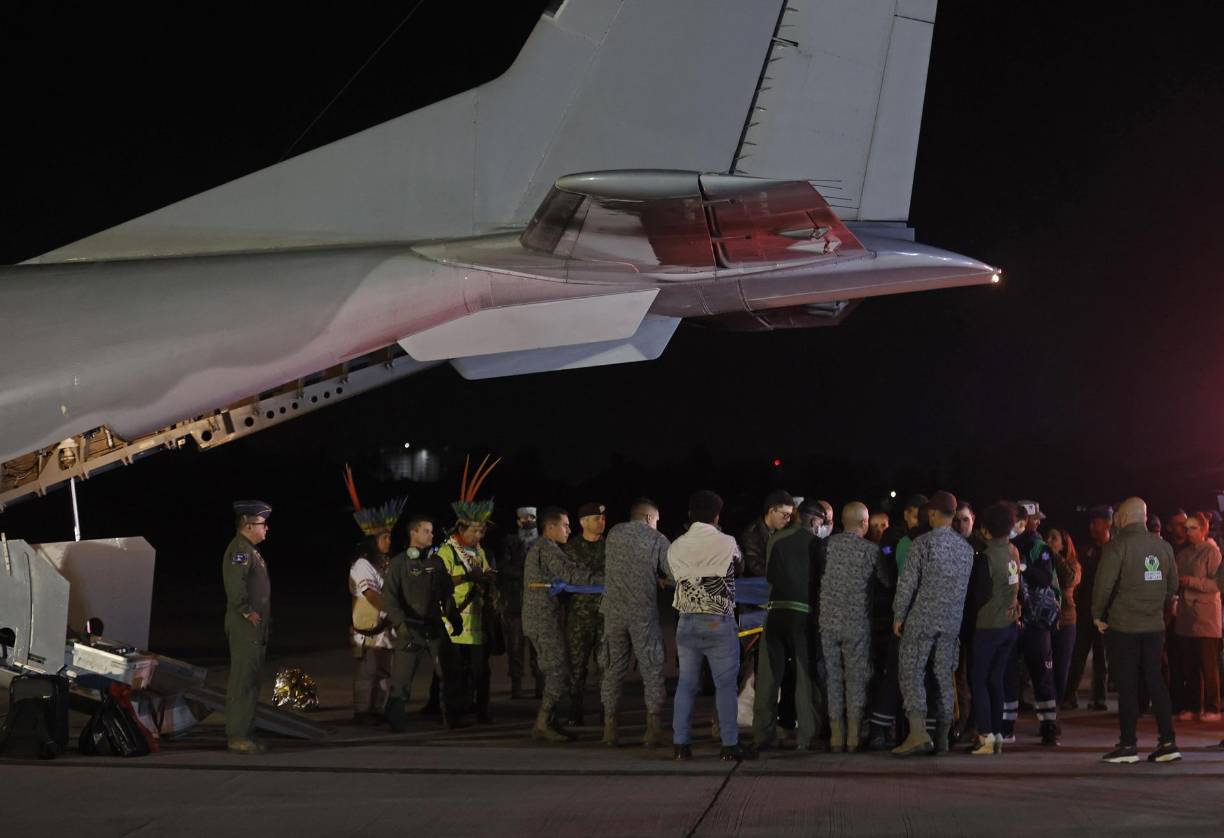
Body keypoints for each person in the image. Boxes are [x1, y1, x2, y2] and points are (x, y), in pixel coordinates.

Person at [670, 490, 755, 762]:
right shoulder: (726, 541)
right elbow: (740, 565)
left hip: (686, 622)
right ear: (717, 515)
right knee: (725, 686)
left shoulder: (676, 545)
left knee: (686, 685)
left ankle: (680, 745)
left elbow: (676, 576)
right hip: (717, 622)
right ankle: (729, 745)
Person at [1094, 497, 1181, 764]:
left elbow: (1103, 586)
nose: (1115, 518)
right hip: (1154, 627)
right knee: (1156, 681)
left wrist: (1097, 615)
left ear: (1126, 516)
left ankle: (1128, 745)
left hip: (1124, 627)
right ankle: (1168, 742)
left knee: (1128, 684)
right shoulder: (1163, 547)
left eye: (1118, 514)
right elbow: (1172, 586)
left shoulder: (1117, 546)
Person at [891, 491, 973, 756]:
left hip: (922, 620)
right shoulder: (966, 549)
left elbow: (907, 584)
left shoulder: (922, 544)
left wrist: (899, 615)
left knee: (912, 672)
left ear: (935, 514)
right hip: (951, 623)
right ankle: (943, 738)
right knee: (944, 678)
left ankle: (917, 734)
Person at [752, 499, 828, 751]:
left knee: (768, 678)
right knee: (805, 678)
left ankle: (762, 735)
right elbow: (820, 583)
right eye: (821, 523)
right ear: (814, 520)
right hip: (801, 616)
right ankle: (806, 738)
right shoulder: (816, 544)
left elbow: (770, 575)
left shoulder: (776, 539)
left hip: (774, 614)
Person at [599, 498, 672, 747]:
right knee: (651, 670)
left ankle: (609, 728)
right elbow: (673, 573)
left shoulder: (613, 534)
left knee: (612, 670)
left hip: (613, 613)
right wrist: (661, 580)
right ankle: (652, 728)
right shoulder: (657, 539)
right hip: (643, 615)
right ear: (650, 518)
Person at [819, 501, 890, 752]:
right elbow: (886, 582)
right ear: (863, 523)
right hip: (857, 624)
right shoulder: (871, 551)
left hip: (827, 623)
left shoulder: (826, 546)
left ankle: (836, 735)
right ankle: (853, 736)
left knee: (834, 679)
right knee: (856, 680)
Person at [523, 507, 598, 742]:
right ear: (550, 527)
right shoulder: (547, 549)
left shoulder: (547, 548)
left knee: (555, 669)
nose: (569, 530)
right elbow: (571, 575)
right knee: (557, 672)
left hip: (544, 618)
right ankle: (542, 722)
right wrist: (609, 580)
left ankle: (550, 721)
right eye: (565, 525)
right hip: (541, 620)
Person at [383, 516, 463, 732]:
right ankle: (396, 721)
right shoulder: (399, 564)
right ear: (413, 534)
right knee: (401, 678)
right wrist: (400, 624)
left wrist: (454, 617)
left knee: (448, 672)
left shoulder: (436, 563)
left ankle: (451, 717)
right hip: (410, 629)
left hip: (434, 627)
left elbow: (446, 594)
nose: (431, 534)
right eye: (426, 531)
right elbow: (390, 598)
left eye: (431, 530)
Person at [437, 460, 500, 727]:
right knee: (454, 673)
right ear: (461, 529)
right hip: (454, 622)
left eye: (482, 529)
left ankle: (482, 711)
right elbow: (441, 583)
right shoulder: (447, 551)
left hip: (478, 623)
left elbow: (485, 574)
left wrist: (488, 580)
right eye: (476, 529)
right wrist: (468, 576)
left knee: (481, 672)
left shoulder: (481, 552)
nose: (480, 533)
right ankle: (453, 715)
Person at [865, 493, 927, 749]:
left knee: (905, 676)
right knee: (894, 674)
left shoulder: (916, 540)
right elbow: (895, 579)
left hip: (906, 617)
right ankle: (881, 729)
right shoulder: (898, 540)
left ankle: (894, 730)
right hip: (894, 618)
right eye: (916, 515)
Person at [344, 480, 408, 726]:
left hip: (386, 629)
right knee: (368, 672)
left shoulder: (387, 562)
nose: (389, 541)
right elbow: (371, 596)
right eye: (385, 537)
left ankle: (376, 710)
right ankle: (362, 711)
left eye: (390, 536)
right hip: (370, 630)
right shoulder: (363, 564)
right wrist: (396, 611)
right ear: (373, 540)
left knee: (383, 672)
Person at [1002, 499, 1060, 746]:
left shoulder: (1039, 547)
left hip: (1036, 621)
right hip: (1013, 620)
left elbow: (1046, 577)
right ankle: (1006, 726)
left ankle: (1049, 727)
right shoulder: (1004, 545)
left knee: (1042, 674)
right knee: (1009, 675)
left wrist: (1022, 567)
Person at [966, 502, 1021, 755]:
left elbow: (979, 595)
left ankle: (985, 735)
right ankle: (997, 734)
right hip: (1009, 626)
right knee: (996, 680)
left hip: (988, 626)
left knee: (978, 680)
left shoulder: (986, 557)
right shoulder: (1013, 551)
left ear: (986, 529)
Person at [222, 500, 273, 754]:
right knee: (243, 680)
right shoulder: (240, 550)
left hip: (254, 625)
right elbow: (236, 584)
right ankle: (238, 735)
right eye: (263, 524)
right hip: (245, 625)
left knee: (251, 680)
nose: (267, 529)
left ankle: (246, 732)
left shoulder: (250, 550)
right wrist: (245, 610)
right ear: (248, 525)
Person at [1171, 512, 1222, 721]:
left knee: (1208, 665)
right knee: (1189, 665)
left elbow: (1218, 584)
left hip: (1206, 616)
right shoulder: (1182, 554)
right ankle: (1192, 705)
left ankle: (1213, 707)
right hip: (1186, 616)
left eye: (1193, 528)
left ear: (1203, 530)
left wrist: (1192, 581)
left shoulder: (1212, 553)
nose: (1188, 532)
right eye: (1187, 528)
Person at [1064, 505, 1113, 711]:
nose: (1092, 526)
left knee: (1102, 657)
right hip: (1085, 610)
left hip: (1106, 612)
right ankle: (1069, 694)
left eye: (1096, 522)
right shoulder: (1086, 550)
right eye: (1091, 522)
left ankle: (1099, 697)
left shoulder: (1115, 550)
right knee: (1078, 654)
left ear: (1107, 524)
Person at [563, 502, 607, 725]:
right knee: (576, 666)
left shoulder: (610, 547)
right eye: (596, 518)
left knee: (605, 665)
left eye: (602, 517)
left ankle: (605, 712)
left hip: (604, 616)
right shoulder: (571, 549)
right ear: (583, 523)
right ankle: (574, 710)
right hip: (579, 617)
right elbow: (572, 576)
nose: (602, 521)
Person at [498, 506, 542, 700]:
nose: (529, 520)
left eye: (532, 516)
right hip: (515, 604)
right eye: (525, 517)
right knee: (515, 648)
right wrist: (526, 575)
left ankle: (540, 685)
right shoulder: (510, 542)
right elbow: (503, 567)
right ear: (518, 521)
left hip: (538, 604)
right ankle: (516, 685)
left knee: (538, 648)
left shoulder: (542, 542)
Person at [1045, 526, 1081, 708]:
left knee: (1061, 666)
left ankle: (1057, 704)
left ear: (1064, 544)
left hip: (1066, 620)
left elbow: (1068, 579)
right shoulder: (1045, 561)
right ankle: (1048, 703)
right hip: (1047, 620)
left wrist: (1055, 555)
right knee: (1047, 666)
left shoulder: (1073, 564)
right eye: (1048, 538)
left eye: (1054, 538)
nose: (1049, 541)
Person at [739, 490, 796, 577]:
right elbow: (755, 567)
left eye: (790, 515)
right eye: (785, 514)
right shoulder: (752, 534)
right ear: (772, 511)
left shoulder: (785, 531)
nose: (788, 519)